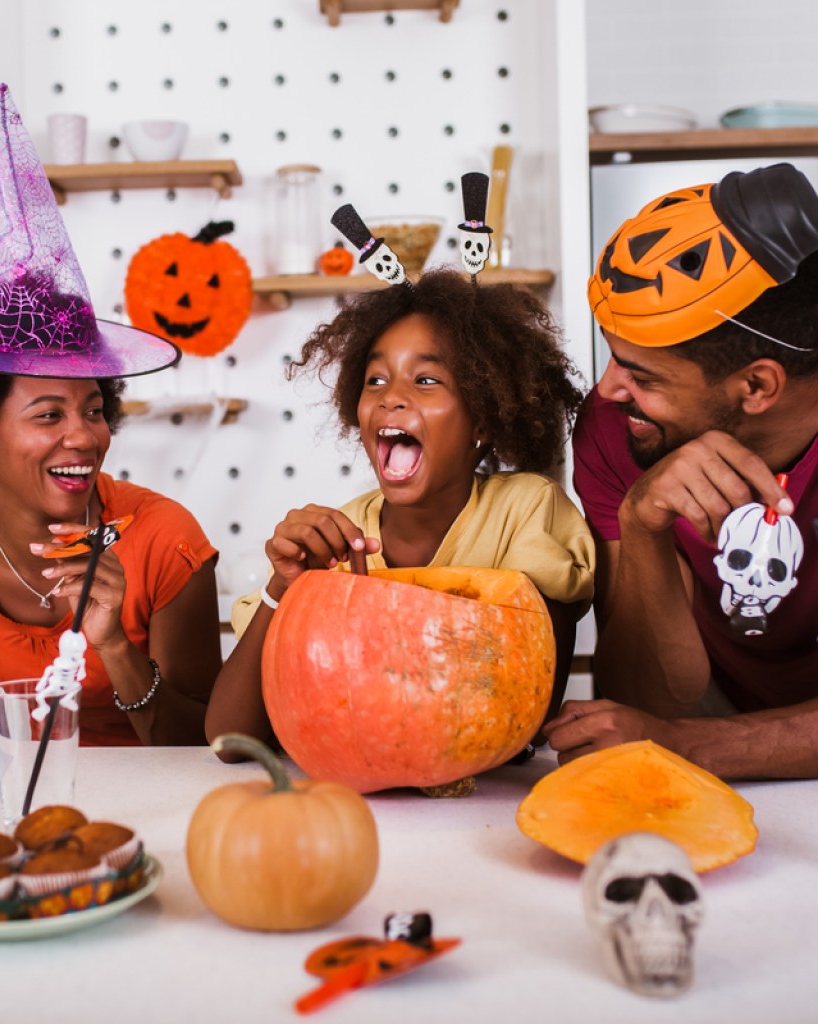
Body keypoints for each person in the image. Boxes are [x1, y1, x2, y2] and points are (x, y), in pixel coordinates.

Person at [0, 85, 221, 746]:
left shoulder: (166, 543)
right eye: (48, 415)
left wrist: (115, 647)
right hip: (28, 808)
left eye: (93, 408)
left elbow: (212, 746)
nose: (84, 435)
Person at [206, 267, 595, 753]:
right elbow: (228, 740)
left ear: (484, 419)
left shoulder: (527, 513)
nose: (391, 397)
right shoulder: (333, 536)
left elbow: (524, 718)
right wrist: (284, 589)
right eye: (376, 380)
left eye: (426, 379)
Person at [544, 162, 818, 779]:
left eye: (642, 375)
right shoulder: (619, 430)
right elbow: (647, 700)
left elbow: (666, 734)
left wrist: (690, 746)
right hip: (702, 715)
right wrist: (642, 523)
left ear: (756, 385)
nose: (610, 390)